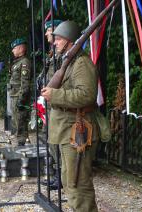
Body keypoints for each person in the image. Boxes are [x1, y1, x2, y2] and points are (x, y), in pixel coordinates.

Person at [41, 20, 99, 211]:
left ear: (69, 41)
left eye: (58, 39)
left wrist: (55, 95)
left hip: (76, 129)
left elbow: (87, 95)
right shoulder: (69, 62)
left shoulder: (81, 63)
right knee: (69, 181)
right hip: (67, 130)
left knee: (78, 185)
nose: (54, 42)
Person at [38, 19, 63, 190]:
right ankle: (55, 173)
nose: (47, 33)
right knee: (49, 139)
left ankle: (61, 176)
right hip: (49, 101)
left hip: (56, 103)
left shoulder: (61, 55)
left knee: (56, 140)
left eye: (49, 31)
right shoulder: (52, 53)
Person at [9, 38, 32, 146]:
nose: (12, 51)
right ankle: (20, 142)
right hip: (14, 95)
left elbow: (25, 83)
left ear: (20, 48)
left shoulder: (24, 63)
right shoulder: (17, 62)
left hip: (19, 96)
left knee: (21, 122)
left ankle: (22, 144)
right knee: (17, 121)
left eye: (14, 48)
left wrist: (21, 99)